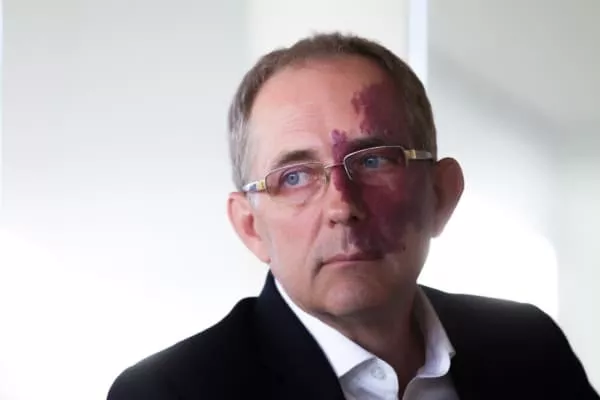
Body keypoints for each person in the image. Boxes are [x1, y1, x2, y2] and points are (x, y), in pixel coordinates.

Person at [107, 32, 599, 400]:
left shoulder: (530, 348)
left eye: (373, 161)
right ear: (251, 227)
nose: (343, 207)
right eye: (294, 176)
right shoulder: (170, 393)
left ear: (440, 194)